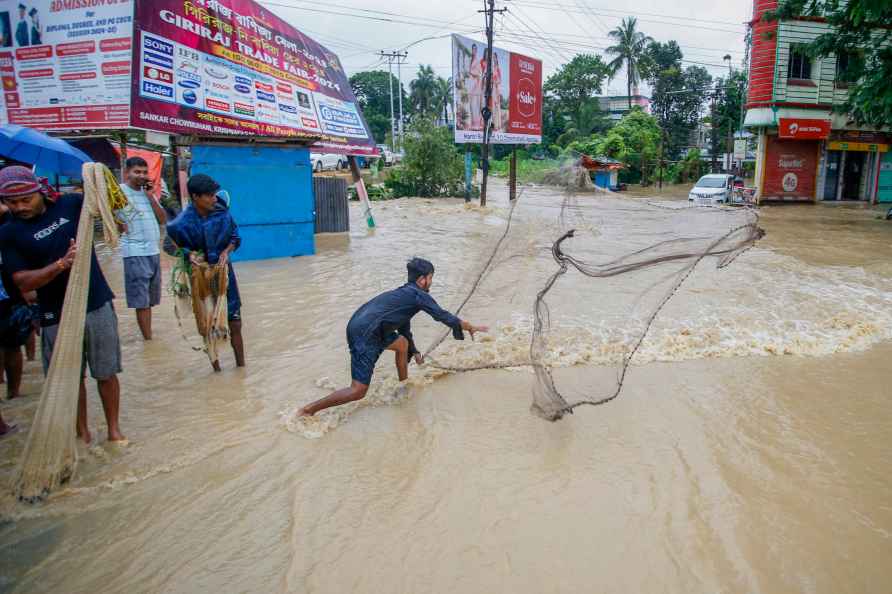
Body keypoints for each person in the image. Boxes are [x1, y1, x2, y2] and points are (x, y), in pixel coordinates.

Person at [0, 166, 125, 444]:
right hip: (54, 312)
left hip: (95, 302)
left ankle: (114, 430)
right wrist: (60, 265)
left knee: (106, 371)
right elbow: (22, 282)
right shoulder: (9, 233)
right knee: (69, 377)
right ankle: (82, 433)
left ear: (38, 191)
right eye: (11, 202)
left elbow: (108, 214)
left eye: (25, 200)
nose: (19, 207)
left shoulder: (72, 204)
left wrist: (110, 207)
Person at [299, 257, 488, 417]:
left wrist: (414, 351)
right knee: (358, 391)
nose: (431, 282)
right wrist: (470, 327)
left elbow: (404, 328)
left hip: (362, 326)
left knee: (402, 344)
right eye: (431, 278)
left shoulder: (404, 295)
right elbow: (443, 315)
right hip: (366, 333)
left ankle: (403, 386)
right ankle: (308, 410)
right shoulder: (418, 296)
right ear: (422, 279)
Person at [166, 173, 245, 371]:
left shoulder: (222, 211)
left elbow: (235, 237)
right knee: (207, 323)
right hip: (200, 276)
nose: (213, 198)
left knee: (235, 321)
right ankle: (216, 370)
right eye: (208, 195)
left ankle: (241, 368)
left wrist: (227, 251)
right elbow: (169, 245)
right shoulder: (181, 223)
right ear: (195, 197)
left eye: (214, 194)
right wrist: (189, 254)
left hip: (224, 273)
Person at [118, 156, 166, 340]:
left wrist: (151, 196)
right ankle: (149, 340)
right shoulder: (119, 193)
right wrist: (116, 223)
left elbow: (163, 219)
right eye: (137, 172)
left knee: (150, 300)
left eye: (145, 172)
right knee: (142, 301)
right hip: (134, 252)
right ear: (126, 173)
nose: (141, 175)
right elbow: (106, 214)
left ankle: (148, 336)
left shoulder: (149, 193)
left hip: (153, 251)